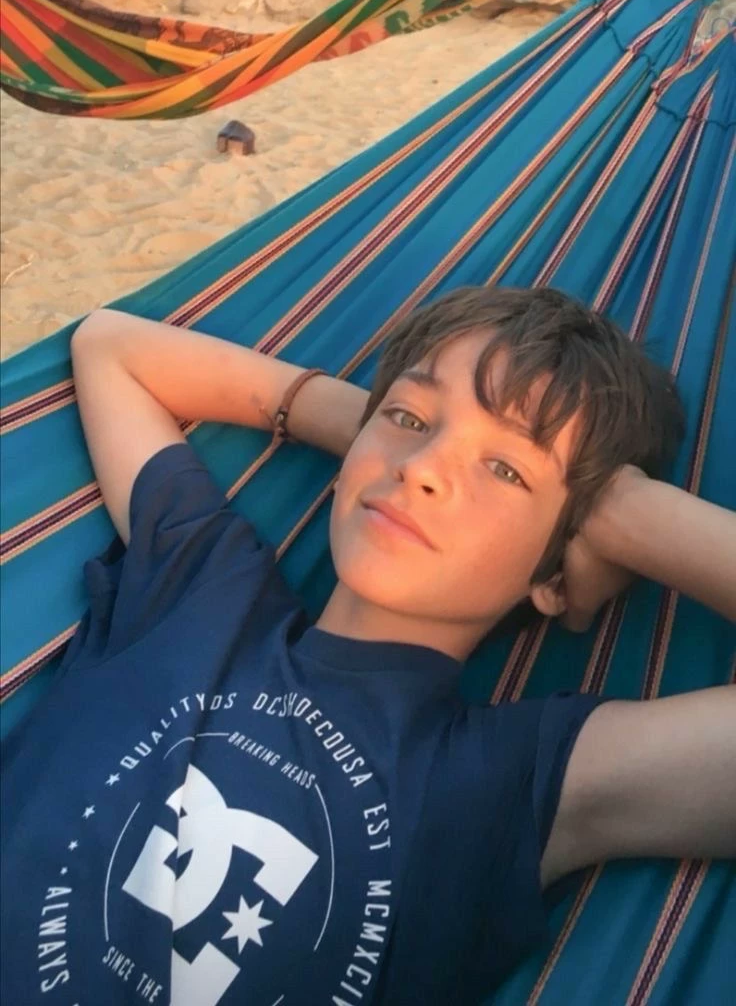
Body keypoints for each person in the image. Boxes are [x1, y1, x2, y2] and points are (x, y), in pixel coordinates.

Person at [1, 286, 734, 1006]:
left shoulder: (506, 786)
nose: (421, 467)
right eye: (410, 420)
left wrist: (622, 513)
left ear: (552, 575)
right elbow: (110, 345)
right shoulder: (202, 587)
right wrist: (363, 428)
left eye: (507, 469)